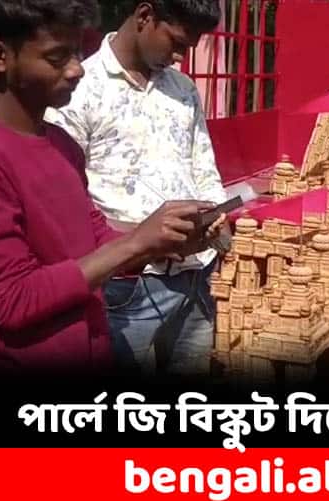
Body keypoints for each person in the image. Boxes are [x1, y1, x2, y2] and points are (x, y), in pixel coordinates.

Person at [0, 0, 223, 375]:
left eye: (78, 52)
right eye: (57, 58)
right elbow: (13, 300)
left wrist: (163, 239)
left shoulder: (60, 144)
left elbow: (94, 237)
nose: (77, 69)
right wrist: (136, 242)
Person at [45, 0, 229, 378]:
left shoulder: (184, 90)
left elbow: (204, 168)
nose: (181, 56)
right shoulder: (79, 89)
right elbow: (65, 206)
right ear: (145, 17)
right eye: (176, 42)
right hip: (128, 287)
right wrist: (143, 239)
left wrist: (217, 218)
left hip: (198, 279)